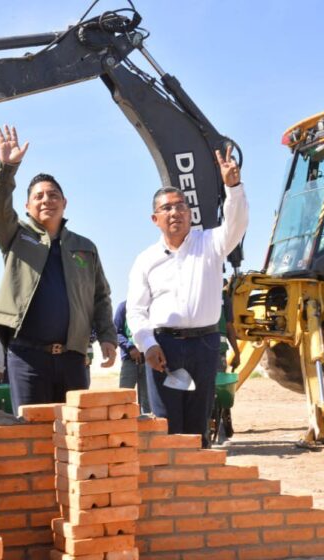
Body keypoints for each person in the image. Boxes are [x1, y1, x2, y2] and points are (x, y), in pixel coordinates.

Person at [0, 124, 118, 414]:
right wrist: (6, 169)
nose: (47, 200)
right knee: (32, 435)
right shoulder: (15, 235)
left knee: (73, 434)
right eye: (39, 196)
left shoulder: (85, 247)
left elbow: (101, 297)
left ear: (65, 202)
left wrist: (108, 336)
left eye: (53, 195)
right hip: (27, 357)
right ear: (28, 205)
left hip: (73, 358)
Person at [127, 145, 248, 447]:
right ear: (155, 219)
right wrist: (148, 344)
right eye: (166, 208)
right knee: (166, 425)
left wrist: (232, 187)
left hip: (204, 346)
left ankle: (197, 487)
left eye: (181, 206)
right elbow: (136, 310)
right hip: (163, 348)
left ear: (190, 212)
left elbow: (237, 224)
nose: (175, 212)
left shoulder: (211, 244)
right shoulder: (146, 259)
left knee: (197, 426)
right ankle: (168, 486)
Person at [113, 300, 150, 414]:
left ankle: (146, 429)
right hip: (129, 360)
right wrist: (130, 348)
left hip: (149, 360)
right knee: (123, 398)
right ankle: (123, 428)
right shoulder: (123, 306)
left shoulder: (151, 306)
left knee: (148, 401)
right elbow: (116, 332)